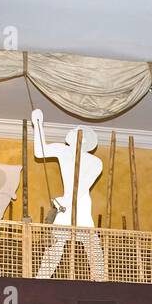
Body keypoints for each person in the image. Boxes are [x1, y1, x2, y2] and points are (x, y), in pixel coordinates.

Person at [31, 108, 105, 280]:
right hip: (65, 205)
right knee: (55, 245)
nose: (70, 134)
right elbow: (40, 151)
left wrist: (65, 201)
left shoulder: (95, 162)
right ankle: (40, 281)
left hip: (80, 205)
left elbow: (82, 186)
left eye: (74, 132)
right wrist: (38, 125)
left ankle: (101, 281)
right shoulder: (63, 151)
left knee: (92, 244)